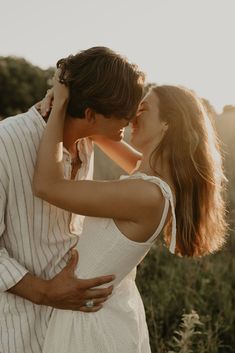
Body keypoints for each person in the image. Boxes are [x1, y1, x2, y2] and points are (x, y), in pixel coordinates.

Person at [33, 71, 227, 353]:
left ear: (167, 124)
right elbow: (99, 131)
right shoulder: (149, 178)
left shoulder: (146, 195)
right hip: (101, 313)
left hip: (91, 329)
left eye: (144, 109)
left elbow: (47, 186)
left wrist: (61, 105)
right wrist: (77, 101)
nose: (133, 116)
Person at [0, 47, 145, 353]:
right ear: (90, 114)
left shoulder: (88, 142)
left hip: (72, 330)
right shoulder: (7, 142)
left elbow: (145, 168)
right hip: (17, 328)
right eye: (122, 113)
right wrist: (45, 293)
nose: (130, 119)